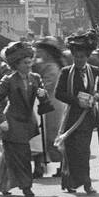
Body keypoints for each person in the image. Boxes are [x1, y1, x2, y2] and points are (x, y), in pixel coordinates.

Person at [0, 41, 53, 197]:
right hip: (11, 121)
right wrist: (1, 119)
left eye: (29, 62)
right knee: (22, 155)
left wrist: (43, 96)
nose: (28, 65)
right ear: (16, 65)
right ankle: (26, 187)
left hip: (27, 121)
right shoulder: (8, 80)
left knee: (10, 155)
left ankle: (1, 183)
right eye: (25, 63)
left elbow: (44, 99)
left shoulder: (36, 78)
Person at [55, 30, 99, 194]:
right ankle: (69, 182)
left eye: (82, 57)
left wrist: (96, 96)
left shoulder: (94, 71)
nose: (79, 60)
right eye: (76, 57)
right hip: (71, 118)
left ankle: (87, 183)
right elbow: (58, 93)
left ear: (87, 57)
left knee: (84, 151)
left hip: (87, 119)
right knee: (70, 151)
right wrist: (77, 100)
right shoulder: (66, 72)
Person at [33, 38, 66, 177]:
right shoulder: (42, 64)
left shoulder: (52, 67)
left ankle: (64, 164)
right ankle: (39, 166)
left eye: (42, 49)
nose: (39, 51)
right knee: (40, 137)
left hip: (51, 105)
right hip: (43, 103)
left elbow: (48, 85)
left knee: (51, 137)